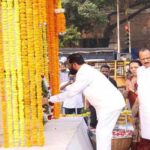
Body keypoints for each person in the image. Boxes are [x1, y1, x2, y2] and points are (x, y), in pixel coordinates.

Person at [45, 53, 125, 150]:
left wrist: (50, 99)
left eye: (69, 65)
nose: (68, 68)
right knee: (103, 133)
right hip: (107, 106)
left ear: (74, 64)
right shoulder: (86, 70)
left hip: (110, 106)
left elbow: (71, 93)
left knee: (102, 133)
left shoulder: (84, 73)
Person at [89, 64, 118, 129]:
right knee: (94, 122)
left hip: (108, 105)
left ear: (109, 72)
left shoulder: (113, 81)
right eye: (103, 71)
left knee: (106, 124)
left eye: (106, 71)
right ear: (100, 71)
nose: (104, 73)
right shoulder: (94, 81)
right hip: (96, 104)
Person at [125, 60, 142, 150]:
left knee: (142, 131)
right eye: (131, 68)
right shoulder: (129, 79)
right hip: (131, 107)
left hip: (142, 108)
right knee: (134, 131)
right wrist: (127, 90)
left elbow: (142, 96)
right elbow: (126, 96)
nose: (133, 69)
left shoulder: (144, 79)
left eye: (136, 67)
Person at [137, 48, 150, 150]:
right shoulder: (139, 71)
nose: (145, 61)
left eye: (148, 58)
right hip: (144, 108)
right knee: (146, 135)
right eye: (143, 59)